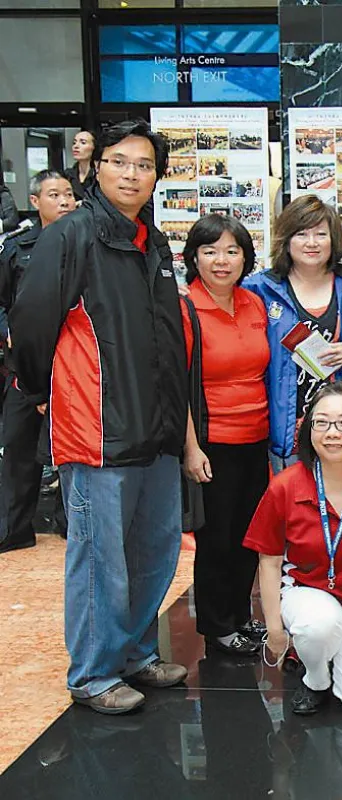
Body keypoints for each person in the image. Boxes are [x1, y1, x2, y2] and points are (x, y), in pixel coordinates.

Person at [10, 119, 190, 714]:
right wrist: (40, 388)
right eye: (119, 161)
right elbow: (31, 321)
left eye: (143, 164)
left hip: (158, 428)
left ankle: (136, 651)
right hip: (99, 430)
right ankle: (92, 673)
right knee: (98, 559)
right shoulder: (73, 235)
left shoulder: (153, 242)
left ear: (156, 176)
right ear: (98, 167)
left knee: (155, 549)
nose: (131, 173)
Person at [245, 381, 342, 715]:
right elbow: (268, 561)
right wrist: (274, 629)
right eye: (322, 422)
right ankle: (315, 677)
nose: (332, 432)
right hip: (309, 592)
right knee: (319, 626)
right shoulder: (285, 485)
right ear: (309, 428)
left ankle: (333, 650)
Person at [179, 214, 271, 656]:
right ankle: (217, 626)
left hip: (257, 440)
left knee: (248, 537)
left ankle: (240, 616)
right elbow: (178, 384)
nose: (221, 260)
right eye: (211, 251)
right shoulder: (184, 308)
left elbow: (280, 354)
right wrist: (191, 448)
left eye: (232, 251)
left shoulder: (253, 303)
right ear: (194, 257)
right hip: (212, 444)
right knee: (216, 540)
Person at [244, 195, 342, 473]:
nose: (312, 243)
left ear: (334, 240)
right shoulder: (259, 288)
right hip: (285, 423)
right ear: (286, 239)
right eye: (302, 234)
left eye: (321, 234)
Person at [0, 170, 75, 554]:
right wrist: (7, 328)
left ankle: (69, 525)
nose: (64, 201)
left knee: (69, 452)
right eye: (54, 194)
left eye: (68, 194)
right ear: (35, 201)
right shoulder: (17, 248)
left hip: (71, 367)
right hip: (25, 367)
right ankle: (14, 528)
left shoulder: (82, 244)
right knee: (17, 447)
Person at [66, 130, 97, 201]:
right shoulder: (67, 175)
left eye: (83, 142)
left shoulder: (101, 175)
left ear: (94, 147)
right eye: (74, 143)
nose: (76, 146)